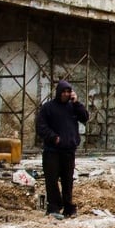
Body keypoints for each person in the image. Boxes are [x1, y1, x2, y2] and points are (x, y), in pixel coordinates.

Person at [35, 79, 89, 220]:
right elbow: (40, 127)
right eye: (63, 92)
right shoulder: (48, 108)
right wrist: (54, 137)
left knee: (67, 181)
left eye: (68, 91)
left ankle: (68, 207)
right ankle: (53, 207)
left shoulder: (73, 107)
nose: (66, 94)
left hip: (68, 151)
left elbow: (85, 117)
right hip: (52, 151)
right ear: (59, 92)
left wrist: (76, 103)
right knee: (51, 180)